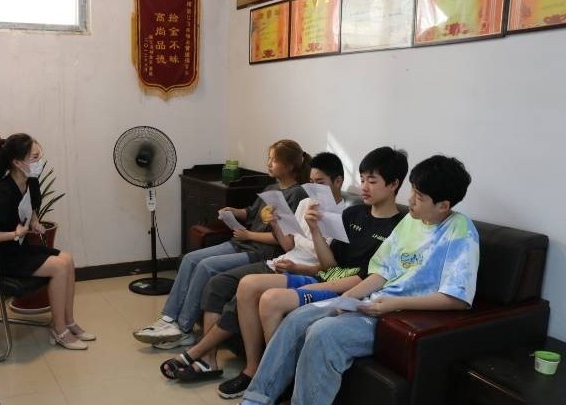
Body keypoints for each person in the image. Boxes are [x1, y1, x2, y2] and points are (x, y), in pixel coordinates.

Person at [240, 155, 479, 405]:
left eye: (419, 197)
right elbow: (381, 271)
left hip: (396, 317)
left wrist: (394, 304)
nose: (410, 201)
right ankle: (257, 398)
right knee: (298, 318)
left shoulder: (460, 231)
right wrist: (347, 298)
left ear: (443, 205)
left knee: (323, 333)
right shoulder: (410, 221)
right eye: (412, 192)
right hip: (371, 301)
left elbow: (457, 298)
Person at [162, 152, 348, 383]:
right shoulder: (304, 204)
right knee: (217, 284)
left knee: (240, 296)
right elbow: (288, 245)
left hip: (303, 270)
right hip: (282, 261)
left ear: (338, 182)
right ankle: (208, 360)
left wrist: (308, 244)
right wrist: (275, 223)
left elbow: (330, 267)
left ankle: (204, 356)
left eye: (320, 183)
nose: (313, 189)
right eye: (310, 182)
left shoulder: (345, 216)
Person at [133, 140, 310, 352]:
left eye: (274, 160)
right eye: (269, 158)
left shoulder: (297, 194)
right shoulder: (271, 188)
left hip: (262, 252)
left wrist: (249, 234)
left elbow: (285, 239)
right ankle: (169, 318)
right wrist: (233, 212)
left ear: (289, 166)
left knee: (206, 266)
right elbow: (251, 212)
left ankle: (184, 328)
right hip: (243, 242)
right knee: (190, 258)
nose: (269, 163)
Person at [0, 133, 95, 350]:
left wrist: (35, 223)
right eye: (35, 158)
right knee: (59, 267)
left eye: (40, 156)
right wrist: (13, 234)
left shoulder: (31, 183)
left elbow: (30, 209)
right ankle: (59, 330)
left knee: (67, 260)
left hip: (17, 250)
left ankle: (68, 322)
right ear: (18, 163)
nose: (40, 162)